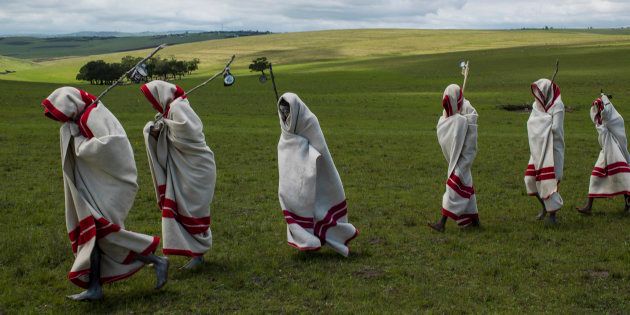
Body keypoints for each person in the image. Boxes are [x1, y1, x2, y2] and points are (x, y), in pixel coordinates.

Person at [42, 87, 168, 301]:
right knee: (95, 237)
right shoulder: (81, 118)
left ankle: (157, 261)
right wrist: (75, 132)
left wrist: (79, 143)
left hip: (109, 186)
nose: (62, 121)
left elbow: (112, 145)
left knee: (104, 235)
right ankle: (95, 288)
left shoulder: (94, 114)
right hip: (91, 187)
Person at [141, 80, 215, 269]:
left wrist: (163, 125)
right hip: (183, 168)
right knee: (180, 209)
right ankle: (193, 252)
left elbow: (187, 132)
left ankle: (198, 255)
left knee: (193, 209)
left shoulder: (178, 107)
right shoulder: (170, 110)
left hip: (196, 167)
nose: (151, 104)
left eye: (152, 99)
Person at [277, 92, 358, 256]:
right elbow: (286, 148)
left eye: (288, 110)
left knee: (320, 205)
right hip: (296, 180)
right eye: (283, 111)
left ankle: (331, 235)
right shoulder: (285, 130)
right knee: (297, 203)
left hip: (319, 174)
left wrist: (303, 152)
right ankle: (307, 241)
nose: (286, 115)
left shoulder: (309, 122)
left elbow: (320, 149)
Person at [428, 84, 480, 232]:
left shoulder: (466, 114)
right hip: (455, 157)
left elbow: (469, 138)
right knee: (466, 187)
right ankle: (475, 221)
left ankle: (442, 223)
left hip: (464, 156)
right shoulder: (448, 115)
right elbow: (447, 133)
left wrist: (462, 119)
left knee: (453, 186)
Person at [577, 94, 630, 214]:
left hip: (618, 153)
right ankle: (589, 206)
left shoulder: (616, 119)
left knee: (624, 177)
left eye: (599, 108)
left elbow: (620, 138)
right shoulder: (604, 120)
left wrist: (601, 127)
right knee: (595, 176)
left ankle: (628, 204)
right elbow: (603, 133)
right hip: (606, 151)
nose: (597, 111)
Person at [524, 79, 565, 224]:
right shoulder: (537, 105)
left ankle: (552, 215)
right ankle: (545, 207)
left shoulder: (558, 106)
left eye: (540, 93)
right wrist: (543, 124)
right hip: (538, 149)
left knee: (549, 182)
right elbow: (531, 124)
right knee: (530, 179)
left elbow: (556, 129)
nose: (537, 97)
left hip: (553, 150)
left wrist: (543, 123)